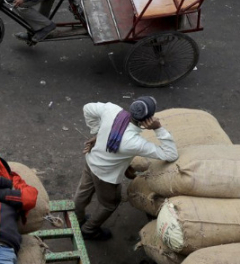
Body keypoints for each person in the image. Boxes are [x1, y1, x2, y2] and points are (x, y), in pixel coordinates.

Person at [75, 97, 178, 241]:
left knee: (83, 192)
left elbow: (87, 108)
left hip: (91, 160)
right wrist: (158, 128)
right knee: (109, 204)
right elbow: (171, 154)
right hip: (106, 176)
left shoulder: (111, 110)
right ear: (146, 120)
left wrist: (97, 134)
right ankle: (89, 230)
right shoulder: (134, 142)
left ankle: (78, 218)